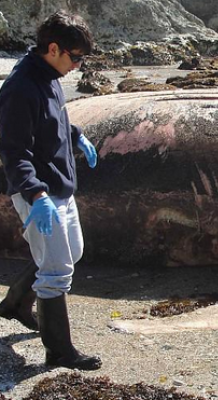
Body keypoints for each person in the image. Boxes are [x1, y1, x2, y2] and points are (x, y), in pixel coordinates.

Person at [0, 10, 101, 370]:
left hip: (60, 187)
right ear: (54, 48)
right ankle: (59, 351)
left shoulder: (50, 76)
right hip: (39, 193)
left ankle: (14, 303)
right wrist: (37, 195)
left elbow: (54, 119)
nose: (78, 64)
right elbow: (13, 153)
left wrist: (76, 136)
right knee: (57, 271)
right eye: (76, 57)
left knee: (69, 254)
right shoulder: (20, 88)